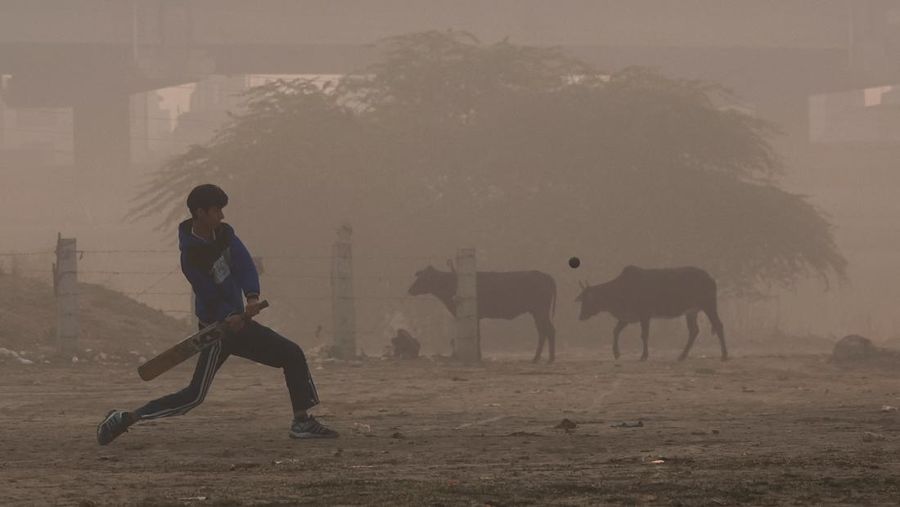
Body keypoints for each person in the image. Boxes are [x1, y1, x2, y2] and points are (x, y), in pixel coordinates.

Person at [96, 184, 338, 444]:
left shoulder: (224, 234)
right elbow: (208, 294)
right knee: (194, 396)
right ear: (200, 213)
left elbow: (244, 263)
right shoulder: (191, 256)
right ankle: (126, 418)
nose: (221, 216)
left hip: (239, 326)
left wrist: (252, 296)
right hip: (216, 330)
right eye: (216, 211)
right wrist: (228, 315)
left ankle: (302, 422)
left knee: (291, 353)